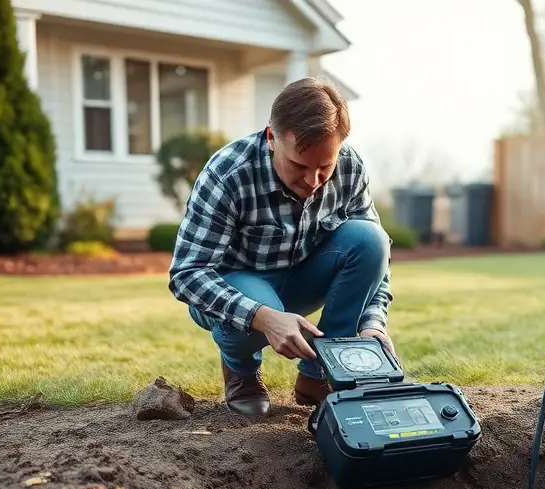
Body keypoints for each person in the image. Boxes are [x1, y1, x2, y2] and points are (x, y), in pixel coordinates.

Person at [168, 77, 395, 417]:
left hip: (303, 275)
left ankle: (321, 375)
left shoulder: (350, 166)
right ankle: (241, 371)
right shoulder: (228, 173)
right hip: (238, 284)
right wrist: (263, 318)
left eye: (325, 167)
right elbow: (187, 274)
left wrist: (373, 323)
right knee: (255, 308)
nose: (313, 181)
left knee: (371, 238)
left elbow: (377, 260)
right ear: (271, 138)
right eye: (300, 166)